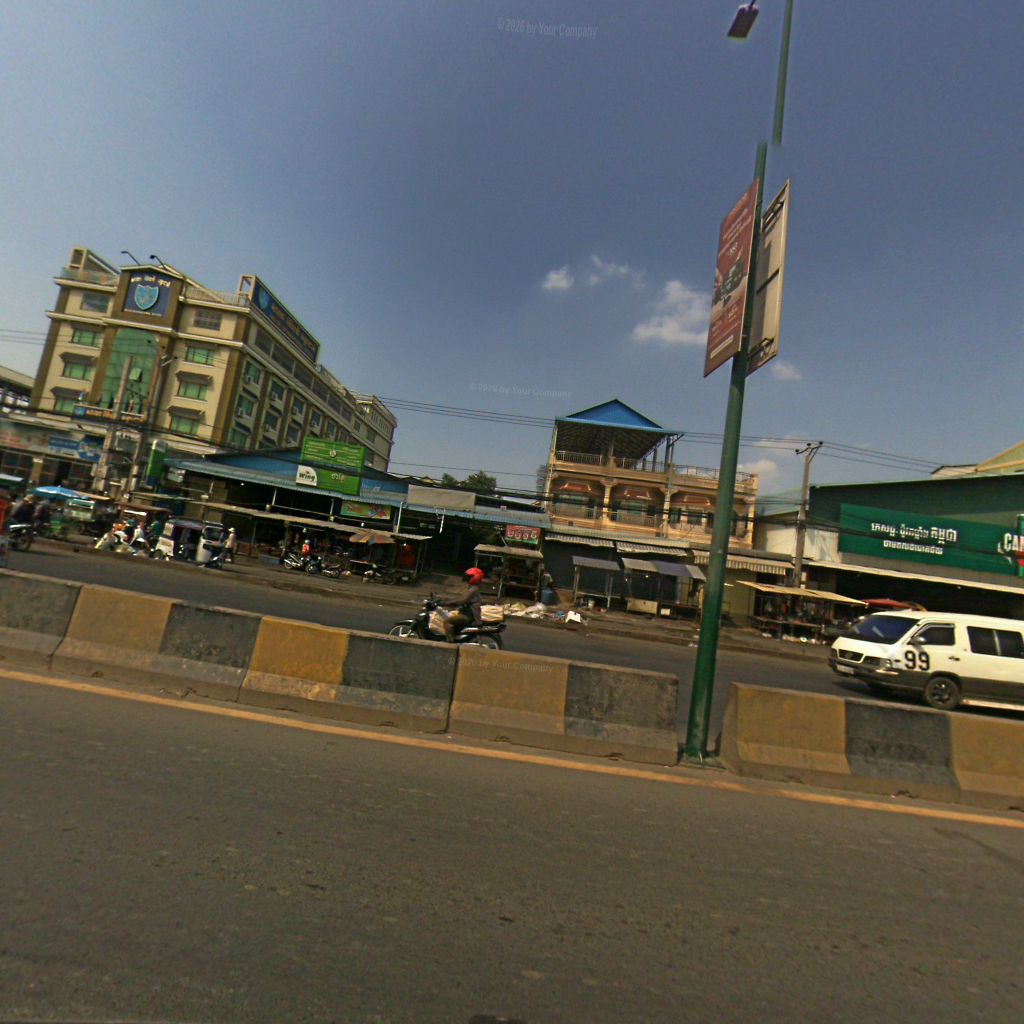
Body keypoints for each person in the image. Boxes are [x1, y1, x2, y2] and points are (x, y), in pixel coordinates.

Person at [444, 567, 485, 641]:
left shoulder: (473, 590)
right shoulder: (473, 588)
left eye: (469, 577)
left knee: (447, 622)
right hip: (467, 613)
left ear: (475, 577)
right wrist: (446, 601)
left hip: (467, 615)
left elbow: (461, 601)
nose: (467, 579)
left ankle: (450, 643)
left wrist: (444, 603)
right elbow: (460, 598)